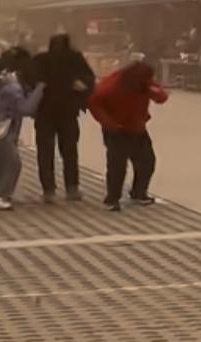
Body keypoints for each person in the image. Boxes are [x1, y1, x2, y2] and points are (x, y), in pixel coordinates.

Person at [90, 59, 168, 211]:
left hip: (137, 128)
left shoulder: (145, 84)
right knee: (117, 165)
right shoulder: (113, 86)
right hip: (117, 130)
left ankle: (138, 193)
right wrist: (109, 123)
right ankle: (112, 199)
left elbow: (161, 98)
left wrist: (154, 90)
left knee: (147, 161)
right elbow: (94, 101)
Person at [34, 33, 95, 202]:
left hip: (44, 112)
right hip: (68, 112)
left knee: (45, 152)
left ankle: (48, 191)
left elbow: (29, 81)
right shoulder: (75, 58)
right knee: (69, 151)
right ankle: (72, 188)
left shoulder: (41, 60)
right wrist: (81, 87)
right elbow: (89, 79)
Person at [0, 48, 42, 210]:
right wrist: (40, 89)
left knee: (0, 160)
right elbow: (25, 109)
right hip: (1, 131)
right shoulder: (13, 88)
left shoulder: (4, 81)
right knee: (13, 163)